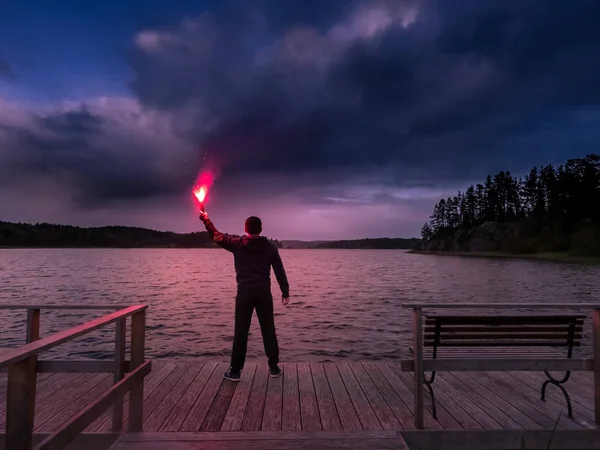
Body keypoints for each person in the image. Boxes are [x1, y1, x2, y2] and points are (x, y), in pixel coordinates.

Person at [199, 210, 290, 381]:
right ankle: (274, 367)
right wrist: (285, 291)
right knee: (268, 329)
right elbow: (279, 269)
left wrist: (206, 219)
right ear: (261, 229)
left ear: (245, 228)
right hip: (263, 293)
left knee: (241, 332)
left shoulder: (237, 243)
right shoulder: (270, 247)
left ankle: (235, 371)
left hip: (244, 293)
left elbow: (216, 236)